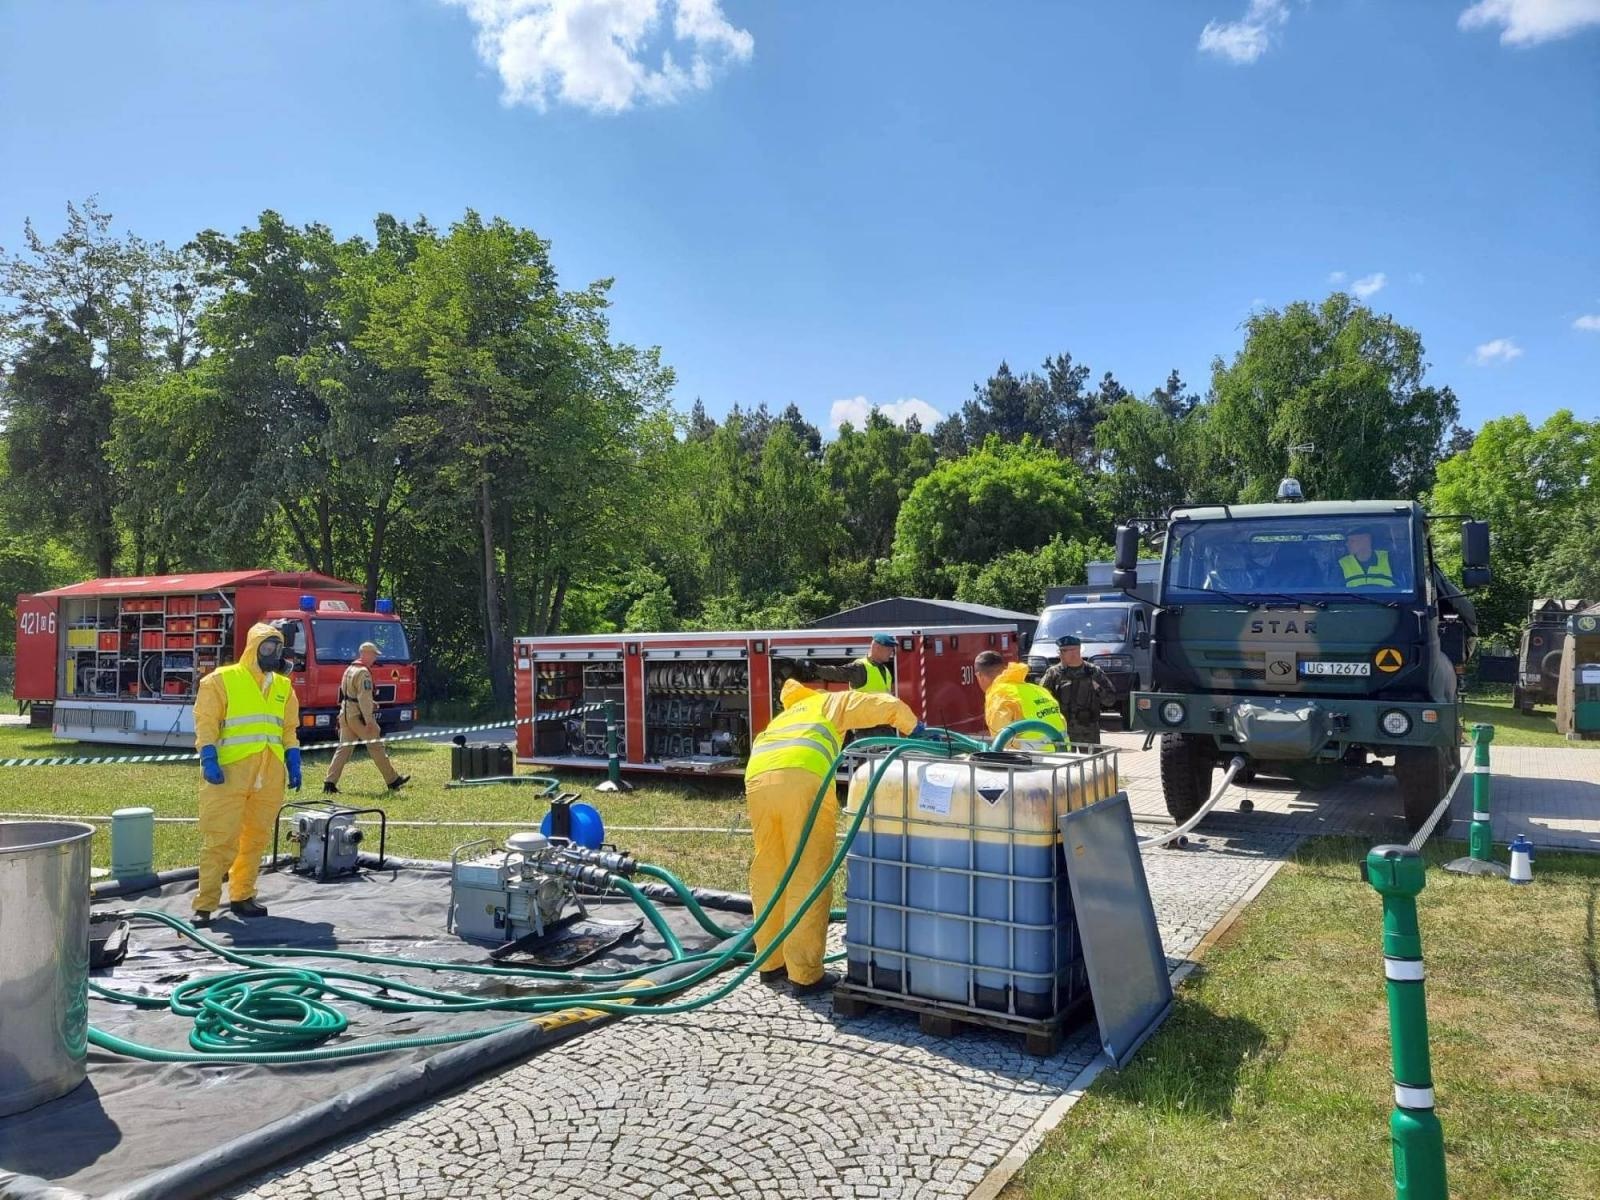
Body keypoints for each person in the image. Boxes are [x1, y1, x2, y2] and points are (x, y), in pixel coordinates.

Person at [746, 677, 923, 994]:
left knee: (770, 868)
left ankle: (770, 963)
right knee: (807, 872)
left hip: (757, 781)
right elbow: (880, 705)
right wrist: (914, 727)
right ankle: (803, 972)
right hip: (802, 781)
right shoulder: (825, 702)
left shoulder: (783, 717)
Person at [192, 621, 302, 926]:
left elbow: (288, 729)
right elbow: (206, 723)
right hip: (229, 772)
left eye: (277, 648)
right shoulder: (220, 681)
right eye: (267, 647)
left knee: (255, 838)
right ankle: (205, 905)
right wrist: (209, 757)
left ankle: (242, 895)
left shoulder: (283, 687)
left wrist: (293, 758)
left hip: (269, 774)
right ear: (253, 648)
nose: (273, 653)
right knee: (220, 839)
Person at [324, 640, 410, 794]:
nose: (375, 658)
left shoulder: (349, 669)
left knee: (343, 750)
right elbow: (363, 698)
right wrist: (369, 720)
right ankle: (393, 780)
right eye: (373, 655)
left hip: (346, 713)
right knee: (376, 747)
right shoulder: (363, 673)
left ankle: (329, 783)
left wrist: (371, 703)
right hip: (358, 716)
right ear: (366, 654)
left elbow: (350, 694)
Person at [974, 649, 1068, 749]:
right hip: (1064, 755)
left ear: (979, 676)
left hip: (1034, 760)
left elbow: (1002, 741)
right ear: (1004, 669)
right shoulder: (1037, 689)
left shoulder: (998, 696)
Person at [1038, 635, 1116, 746]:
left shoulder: (1094, 672)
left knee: (1090, 761)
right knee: (1064, 761)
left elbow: (1110, 700)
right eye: (1063, 651)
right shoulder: (1054, 673)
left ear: (1078, 651)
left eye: (1071, 650)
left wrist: (1097, 688)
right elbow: (1041, 698)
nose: (1061, 654)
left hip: (1088, 730)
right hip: (1062, 729)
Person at [796, 632, 897, 693]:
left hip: (883, 723)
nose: (891, 653)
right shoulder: (860, 667)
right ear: (877, 647)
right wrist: (815, 669)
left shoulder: (885, 670)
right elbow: (837, 672)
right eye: (889, 649)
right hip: (865, 725)